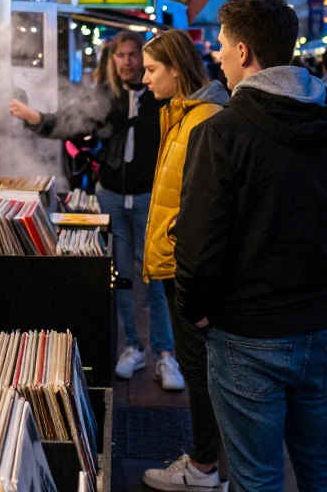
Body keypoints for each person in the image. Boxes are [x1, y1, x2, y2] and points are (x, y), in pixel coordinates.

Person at [174, 0, 327, 492]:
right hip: (322, 327)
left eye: (223, 47)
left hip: (245, 331)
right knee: (321, 469)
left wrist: (196, 309)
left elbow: (199, 243)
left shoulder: (221, 132)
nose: (219, 57)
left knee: (257, 477)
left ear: (245, 51)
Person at [9, 31, 175, 385]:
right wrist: (34, 116)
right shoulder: (103, 95)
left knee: (158, 277)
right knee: (123, 278)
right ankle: (134, 346)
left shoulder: (164, 97)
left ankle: (166, 354)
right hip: (111, 194)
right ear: (112, 59)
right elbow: (69, 123)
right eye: (122, 56)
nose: (129, 62)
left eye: (134, 56)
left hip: (152, 197)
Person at [136, 30, 230, 490]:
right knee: (198, 368)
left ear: (176, 68)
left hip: (186, 266)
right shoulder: (181, 114)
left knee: (200, 369)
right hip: (177, 260)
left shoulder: (204, 118)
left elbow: (202, 204)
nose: (145, 78)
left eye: (152, 69)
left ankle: (204, 467)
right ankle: (207, 460)